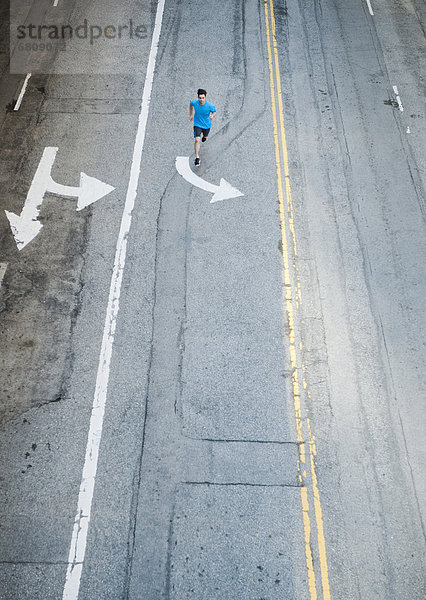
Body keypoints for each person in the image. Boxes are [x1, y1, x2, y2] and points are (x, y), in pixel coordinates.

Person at [189, 88, 217, 166]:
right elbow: (191, 105)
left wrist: (212, 115)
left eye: (203, 98)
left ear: (205, 97)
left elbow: (214, 111)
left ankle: (205, 137)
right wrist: (191, 114)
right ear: (198, 97)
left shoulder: (209, 105)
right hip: (197, 124)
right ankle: (197, 157)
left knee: (205, 136)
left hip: (206, 125)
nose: (201, 100)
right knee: (197, 140)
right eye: (200, 98)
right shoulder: (195, 102)